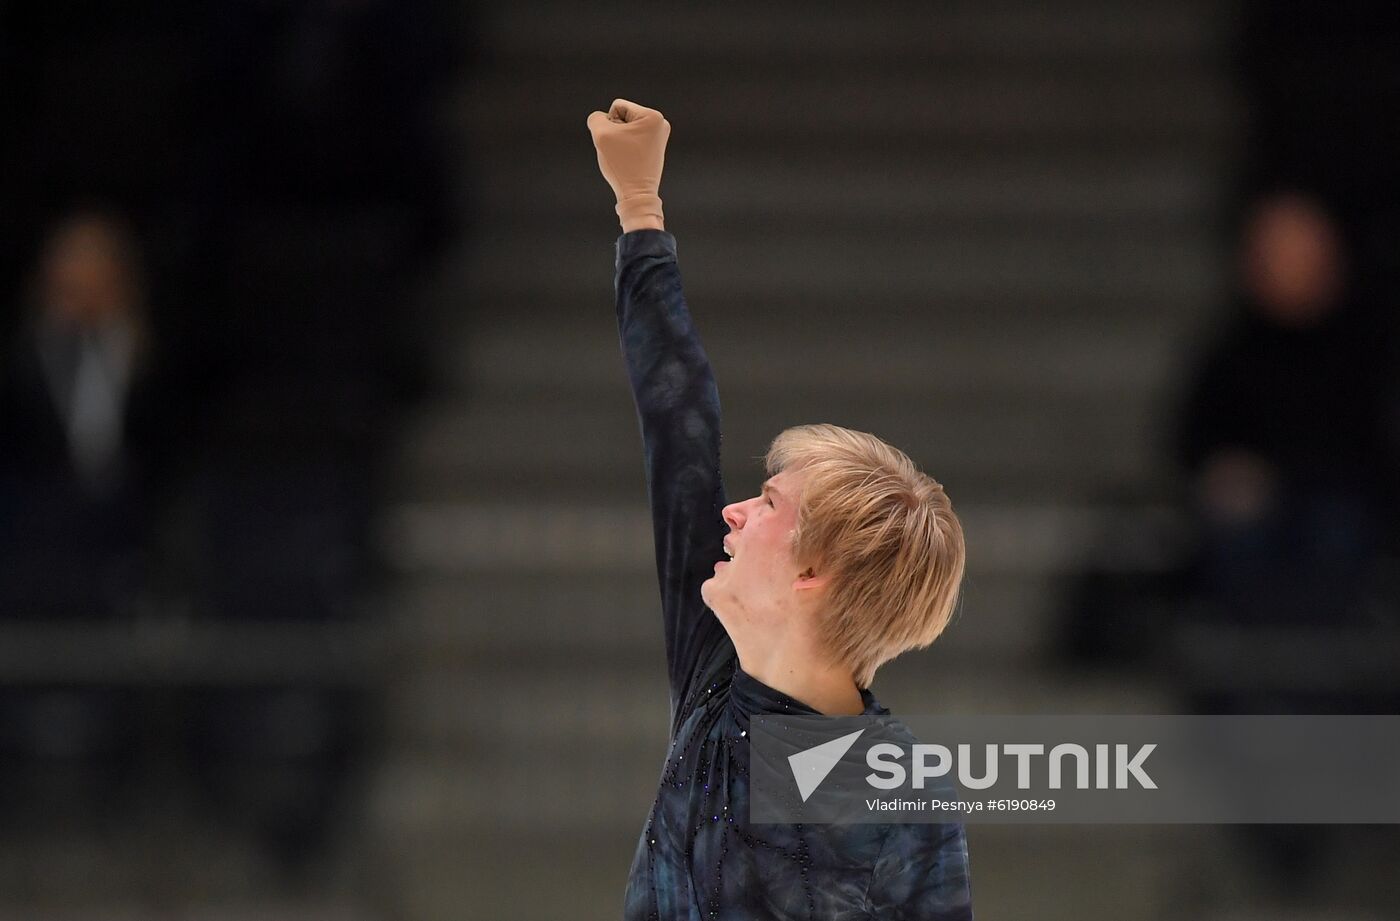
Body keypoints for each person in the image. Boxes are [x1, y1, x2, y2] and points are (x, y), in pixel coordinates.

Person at [588, 98, 973, 920]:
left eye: (766, 502)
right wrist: (640, 208)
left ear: (811, 570)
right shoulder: (717, 676)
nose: (730, 512)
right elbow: (679, 430)